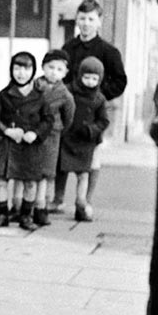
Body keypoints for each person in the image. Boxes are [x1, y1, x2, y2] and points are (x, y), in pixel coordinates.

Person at [53, 0, 126, 212]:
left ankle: (85, 201)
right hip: (69, 113)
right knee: (61, 156)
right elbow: (60, 74)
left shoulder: (109, 52)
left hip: (94, 117)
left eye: (91, 19)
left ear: (99, 22)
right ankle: (57, 200)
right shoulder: (68, 47)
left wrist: (98, 97)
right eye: (82, 18)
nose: (86, 23)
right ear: (77, 20)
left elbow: (120, 81)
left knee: (92, 159)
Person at [0, 51, 53, 231]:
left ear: (32, 71)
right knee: (1, 180)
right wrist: (6, 130)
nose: (21, 73)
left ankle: (26, 216)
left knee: (30, 182)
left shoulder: (40, 97)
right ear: (11, 70)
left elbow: (48, 120)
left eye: (26, 68)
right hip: (7, 144)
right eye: (17, 68)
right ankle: (2, 215)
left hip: (29, 146)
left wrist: (35, 134)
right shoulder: (4, 95)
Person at [58, 56, 110, 222]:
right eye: (86, 77)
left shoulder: (99, 98)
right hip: (68, 137)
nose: (89, 82)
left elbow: (103, 120)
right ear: (79, 75)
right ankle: (55, 198)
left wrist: (91, 130)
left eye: (94, 79)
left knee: (84, 174)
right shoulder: (68, 92)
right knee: (60, 169)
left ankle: (81, 203)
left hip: (87, 141)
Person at [33, 49, 75, 225]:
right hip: (33, 133)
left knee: (45, 173)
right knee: (29, 170)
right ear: (43, 67)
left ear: (65, 73)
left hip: (51, 135)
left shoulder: (65, 95)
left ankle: (41, 205)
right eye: (50, 67)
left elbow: (69, 116)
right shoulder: (33, 87)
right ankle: (24, 204)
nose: (54, 72)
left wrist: (58, 128)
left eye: (59, 69)